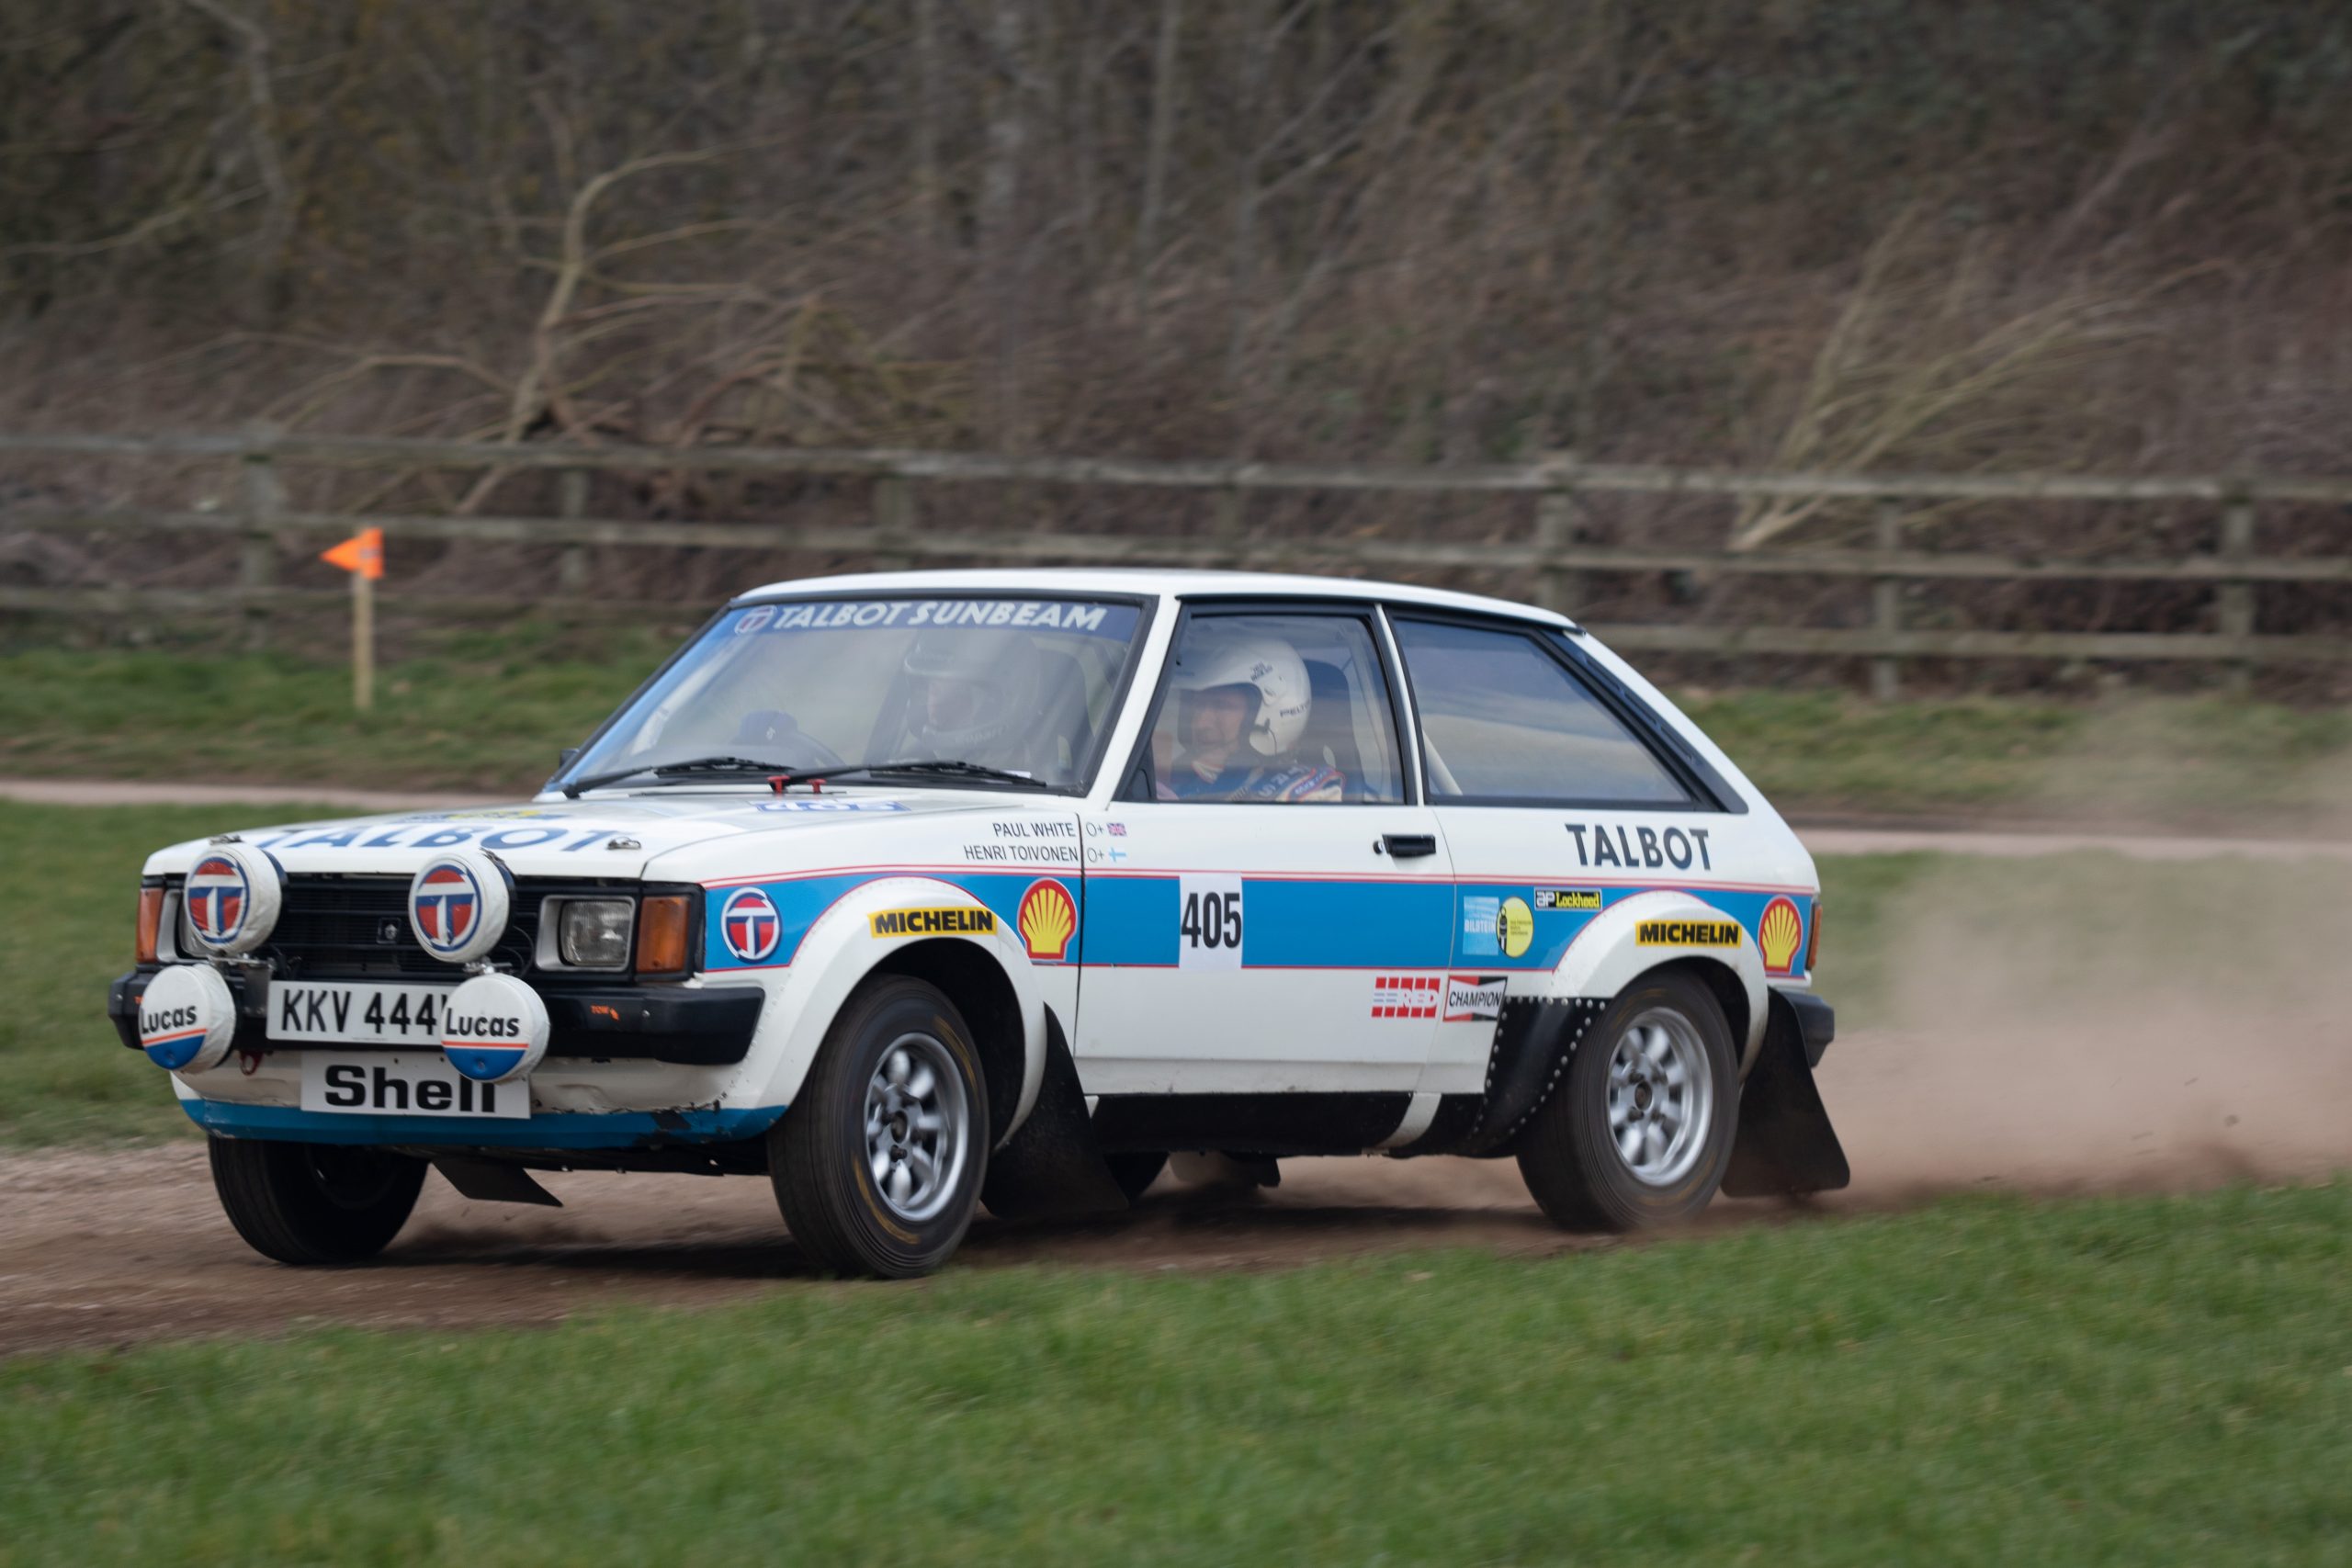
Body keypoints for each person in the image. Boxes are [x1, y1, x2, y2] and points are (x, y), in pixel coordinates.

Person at [1161, 630, 1346, 802]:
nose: (1199, 722)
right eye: (1196, 704)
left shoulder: (1308, 796)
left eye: (1221, 705)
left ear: (1273, 715)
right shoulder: (1179, 776)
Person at [897, 627, 1045, 772]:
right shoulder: (904, 769)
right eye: (930, 687)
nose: (933, 701)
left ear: (997, 703)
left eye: (958, 691)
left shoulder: (1049, 778)